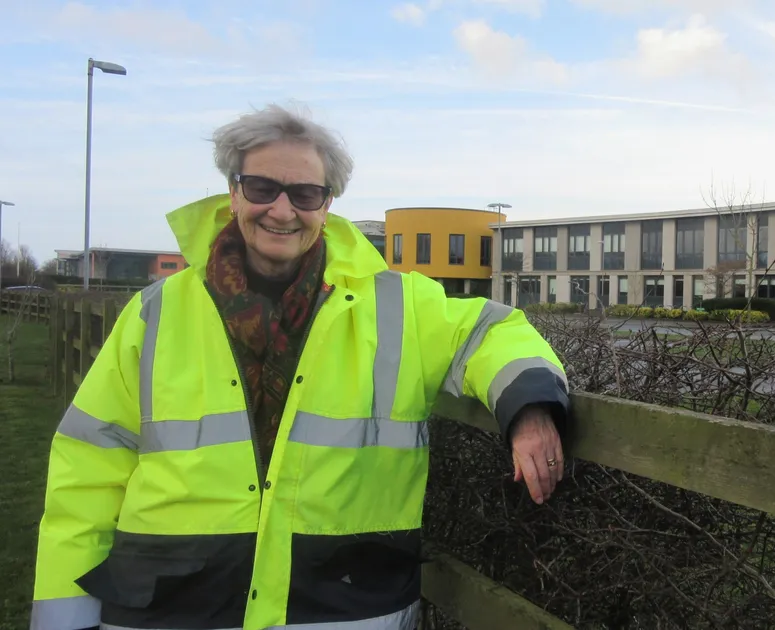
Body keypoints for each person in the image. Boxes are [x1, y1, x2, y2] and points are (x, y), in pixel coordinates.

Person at [31, 104, 570, 630]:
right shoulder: (155, 312)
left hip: (343, 609)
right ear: (234, 191)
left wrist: (529, 409)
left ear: (327, 203)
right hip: (169, 607)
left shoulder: (400, 305)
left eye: (305, 193)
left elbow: (493, 332)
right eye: (263, 188)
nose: (283, 211)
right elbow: (87, 471)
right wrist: (64, 616)